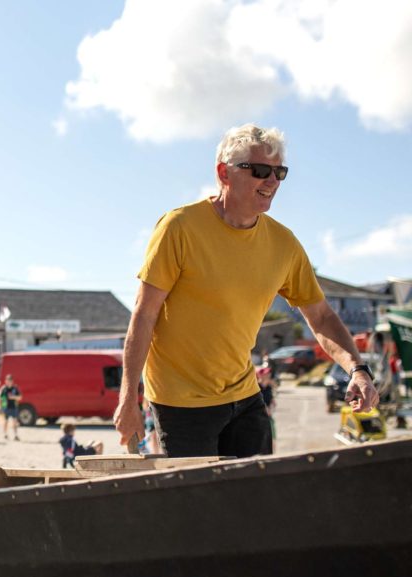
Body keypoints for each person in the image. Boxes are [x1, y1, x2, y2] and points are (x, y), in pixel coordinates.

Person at [114, 123, 378, 458]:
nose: (272, 181)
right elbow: (144, 313)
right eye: (259, 170)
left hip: (244, 394)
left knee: (255, 499)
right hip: (180, 403)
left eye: (279, 172)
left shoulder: (283, 244)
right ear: (224, 172)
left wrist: (357, 369)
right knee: (199, 506)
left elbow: (322, 316)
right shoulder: (179, 228)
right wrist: (128, 400)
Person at [0, 374, 22, 441]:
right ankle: (5, 434)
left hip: (14, 407)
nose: (8, 382)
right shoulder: (4, 389)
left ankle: (15, 435)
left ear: (12, 381)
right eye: (7, 380)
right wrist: (1, 407)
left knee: (14, 422)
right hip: (6, 407)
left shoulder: (15, 388)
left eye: (9, 380)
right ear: (5, 381)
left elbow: (20, 397)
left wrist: (13, 397)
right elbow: (0, 398)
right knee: (5, 421)